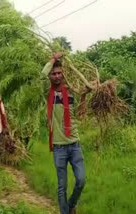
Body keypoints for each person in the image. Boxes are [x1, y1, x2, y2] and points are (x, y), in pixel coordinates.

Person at [42, 52, 93, 214]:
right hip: (59, 148)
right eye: (54, 74)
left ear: (63, 74)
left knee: (81, 180)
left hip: (74, 145)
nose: (57, 76)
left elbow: (79, 114)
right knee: (61, 186)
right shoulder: (47, 93)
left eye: (59, 73)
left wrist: (84, 95)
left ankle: (71, 205)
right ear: (50, 76)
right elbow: (41, 76)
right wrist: (53, 59)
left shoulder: (71, 91)